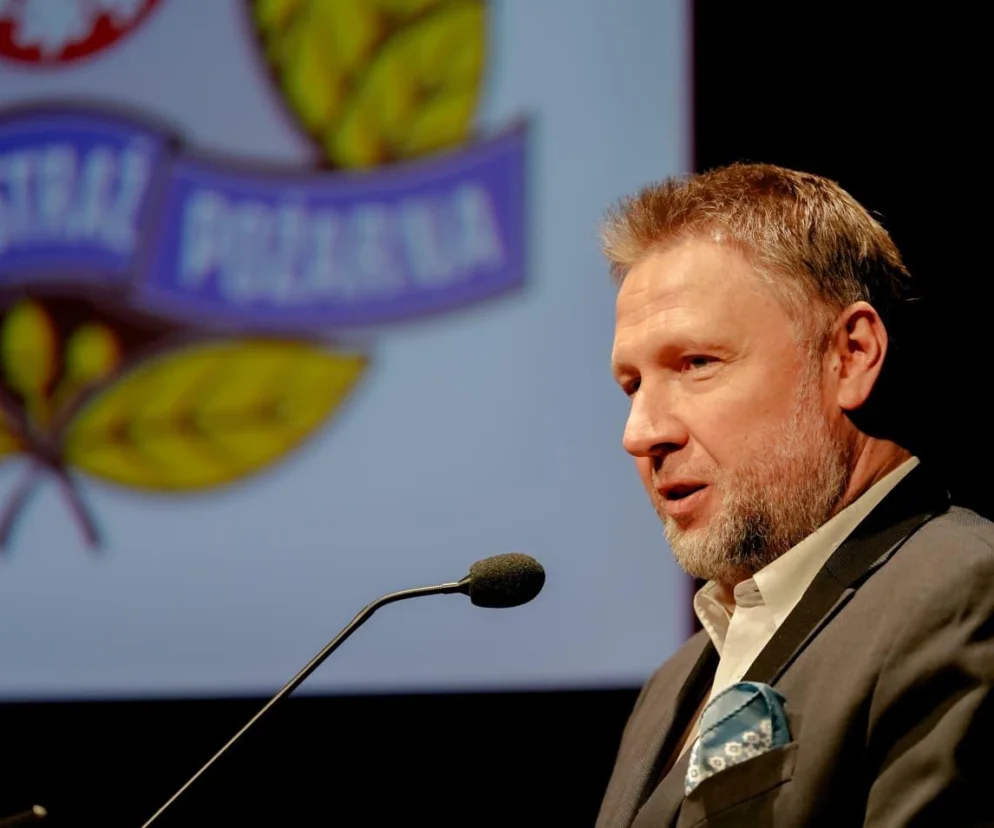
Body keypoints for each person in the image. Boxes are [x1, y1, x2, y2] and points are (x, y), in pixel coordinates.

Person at [595, 163, 994, 827]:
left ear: (851, 355)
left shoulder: (961, 591)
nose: (640, 434)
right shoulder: (672, 684)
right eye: (632, 385)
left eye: (696, 363)